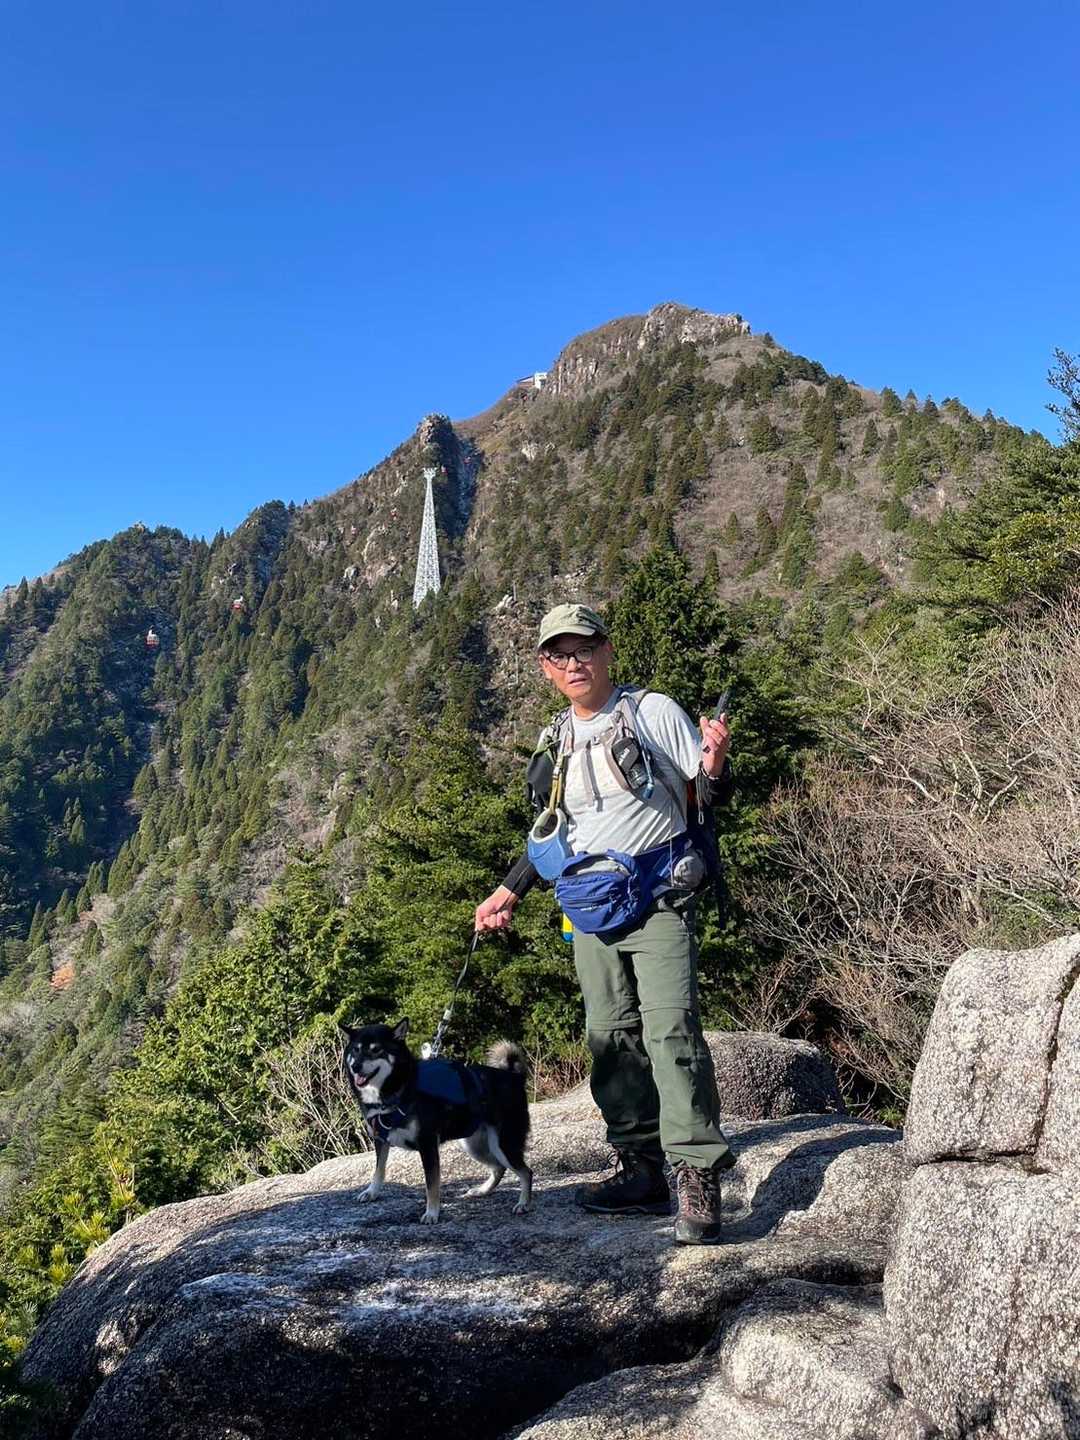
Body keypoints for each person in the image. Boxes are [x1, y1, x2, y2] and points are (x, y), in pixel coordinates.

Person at [474, 602, 735, 1245]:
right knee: (610, 1038)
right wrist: (508, 891)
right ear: (545, 667)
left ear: (607, 651)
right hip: (588, 908)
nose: (574, 663)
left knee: (670, 1030)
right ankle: (641, 1167)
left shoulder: (651, 712)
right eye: (559, 654)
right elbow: (552, 834)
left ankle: (695, 1173)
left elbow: (705, 797)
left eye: (584, 649)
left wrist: (715, 765)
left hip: (659, 897)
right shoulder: (555, 740)